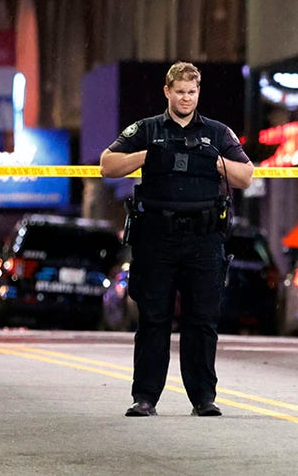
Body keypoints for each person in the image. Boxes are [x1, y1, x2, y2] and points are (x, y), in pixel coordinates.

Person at [100, 61, 253, 417]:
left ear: (198, 93)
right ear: (167, 92)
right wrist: (148, 156)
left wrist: (214, 162)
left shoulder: (217, 133)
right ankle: (145, 398)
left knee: (202, 319)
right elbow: (107, 165)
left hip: (203, 239)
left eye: (192, 92)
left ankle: (203, 398)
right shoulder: (148, 130)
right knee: (154, 318)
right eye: (180, 91)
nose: (186, 98)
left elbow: (246, 175)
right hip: (156, 237)